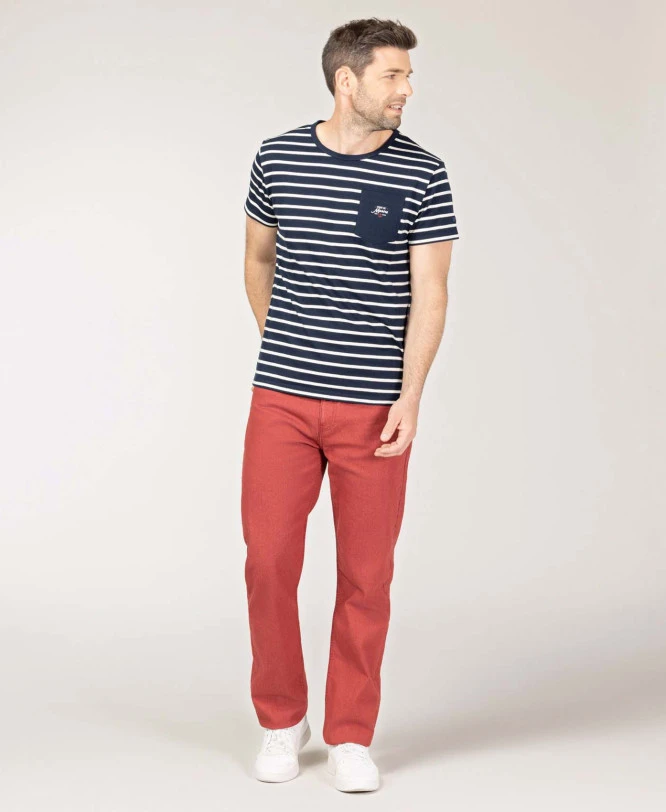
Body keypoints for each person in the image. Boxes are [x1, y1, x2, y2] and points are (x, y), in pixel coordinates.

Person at [241, 17, 460, 792]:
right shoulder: (278, 157)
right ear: (347, 80)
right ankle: (280, 720)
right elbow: (258, 258)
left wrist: (410, 395)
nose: (407, 89)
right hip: (283, 402)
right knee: (269, 562)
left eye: (407, 75)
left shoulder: (424, 173)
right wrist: (288, 348)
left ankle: (350, 734)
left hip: (373, 410)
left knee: (366, 577)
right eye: (393, 75)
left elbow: (432, 293)